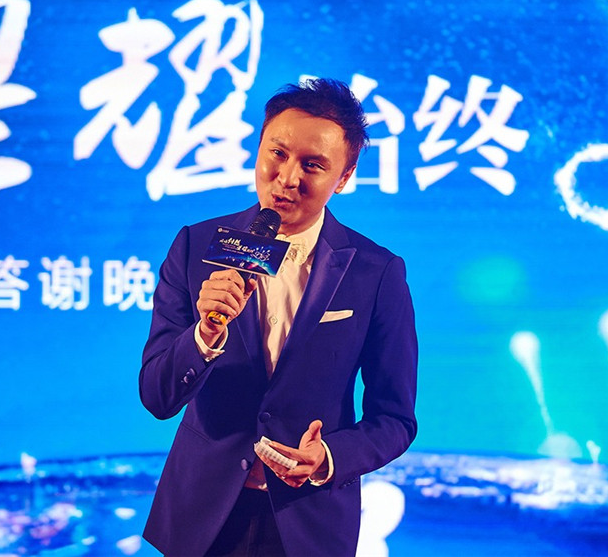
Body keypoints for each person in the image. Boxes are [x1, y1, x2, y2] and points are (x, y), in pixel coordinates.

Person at [140, 78, 418, 557]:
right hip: (201, 517)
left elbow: (395, 418)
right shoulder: (195, 247)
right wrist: (205, 334)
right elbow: (157, 396)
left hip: (308, 523)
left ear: (344, 176)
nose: (288, 178)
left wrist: (327, 457)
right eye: (278, 153)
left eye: (313, 165)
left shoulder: (376, 272)